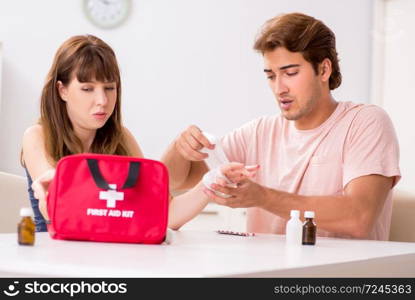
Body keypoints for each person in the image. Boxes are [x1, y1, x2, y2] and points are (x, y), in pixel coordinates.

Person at [161, 13, 401, 240]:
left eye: (291, 73)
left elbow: (359, 217)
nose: (279, 88)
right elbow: (177, 181)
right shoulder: (258, 132)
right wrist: (179, 148)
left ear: (324, 69)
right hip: (267, 273)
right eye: (271, 76)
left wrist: (262, 196)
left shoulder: (365, 122)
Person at [21, 34, 253, 232]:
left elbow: (163, 214)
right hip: (56, 260)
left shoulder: (121, 138)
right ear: (62, 90)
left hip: (112, 257)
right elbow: (57, 208)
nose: (102, 101)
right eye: (87, 89)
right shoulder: (37, 136)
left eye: (109, 88)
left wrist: (211, 182)